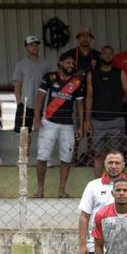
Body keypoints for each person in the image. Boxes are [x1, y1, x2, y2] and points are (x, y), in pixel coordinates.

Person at [33, 53, 86, 199]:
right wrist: (37, 119)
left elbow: (80, 105)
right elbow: (39, 99)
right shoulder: (49, 77)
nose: (70, 65)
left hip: (67, 125)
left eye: (72, 63)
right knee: (42, 157)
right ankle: (40, 191)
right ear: (60, 63)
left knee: (67, 158)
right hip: (48, 122)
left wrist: (81, 126)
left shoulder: (76, 82)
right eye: (67, 63)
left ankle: (61, 191)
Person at [87, 45, 127, 179]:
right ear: (100, 56)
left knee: (116, 154)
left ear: (113, 56)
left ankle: (117, 183)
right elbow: (89, 96)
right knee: (98, 154)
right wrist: (87, 119)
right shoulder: (92, 74)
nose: (107, 55)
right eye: (104, 53)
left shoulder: (119, 72)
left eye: (110, 53)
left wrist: (116, 104)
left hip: (116, 120)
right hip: (97, 120)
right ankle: (97, 184)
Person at [12, 36, 54, 141]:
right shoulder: (20, 64)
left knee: (45, 133)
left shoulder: (46, 64)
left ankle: (43, 156)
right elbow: (17, 86)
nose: (34, 47)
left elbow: (51, 83)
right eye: (31, 45)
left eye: (36, 45)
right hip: (26, 104)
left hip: (43, 104)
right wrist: (19, 104)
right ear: (26, 47)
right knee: (24, 135)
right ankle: (24, 157)